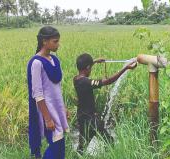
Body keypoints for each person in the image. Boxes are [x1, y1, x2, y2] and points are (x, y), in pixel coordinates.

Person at [73, 53, 137, 154]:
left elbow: (87, 66)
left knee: (82, 147)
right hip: (91, 120)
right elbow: (108, 81)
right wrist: (125, 68)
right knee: (109, 141)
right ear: (88, 67)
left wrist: (94, 61)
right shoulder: (86, 82)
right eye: (90, 67)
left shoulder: (76, 79)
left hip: (82, 118)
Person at [27, 26, 69, 159]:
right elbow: (38, 94)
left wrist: (64, 108)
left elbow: (57, 88)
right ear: (44, 41)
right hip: (47, 111)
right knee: (56, 146)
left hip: (57, 109)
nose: (58, 44)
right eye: (55, 41)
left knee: (60, 145)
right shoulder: (36, 63)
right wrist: (47, 119)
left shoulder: (55, 60)